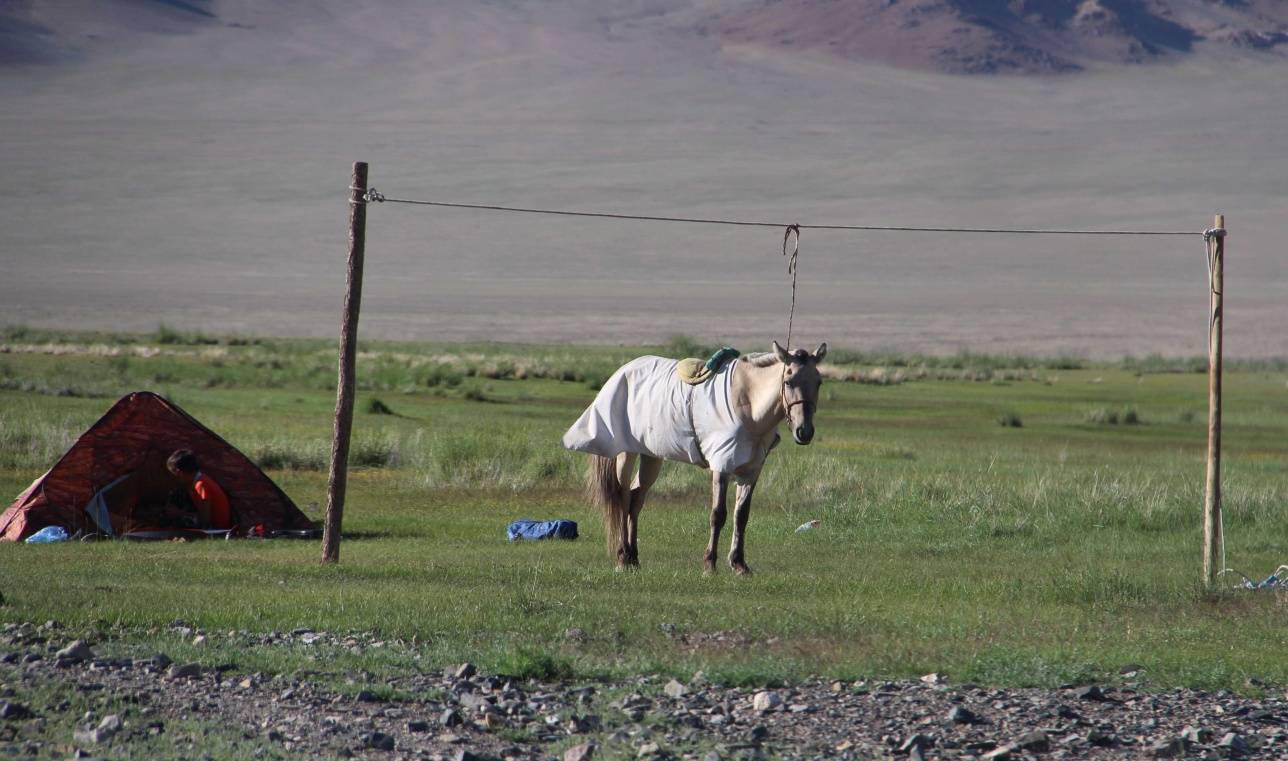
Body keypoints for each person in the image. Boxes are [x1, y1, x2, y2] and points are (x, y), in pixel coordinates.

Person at [165, 449, 233, 530]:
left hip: (216, 528)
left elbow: (205, 519)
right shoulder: (201, 479)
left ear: (180, 473)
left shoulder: (201, 484)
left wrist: (179, 514)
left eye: (174, 474)